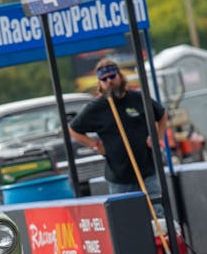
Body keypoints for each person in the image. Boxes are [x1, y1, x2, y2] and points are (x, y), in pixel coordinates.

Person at [69, 59, 167, 218]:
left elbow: (161, 114)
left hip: (147, 171)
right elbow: (73, 130)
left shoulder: (138, 98)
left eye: (112, 76)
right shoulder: (96, 108)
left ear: (120, 76)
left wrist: (157, 137)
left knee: (157, 214)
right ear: (100, 83)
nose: (109, 81)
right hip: (119, 178)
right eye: (104, 79)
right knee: (126, 219)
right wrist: (95, 144)